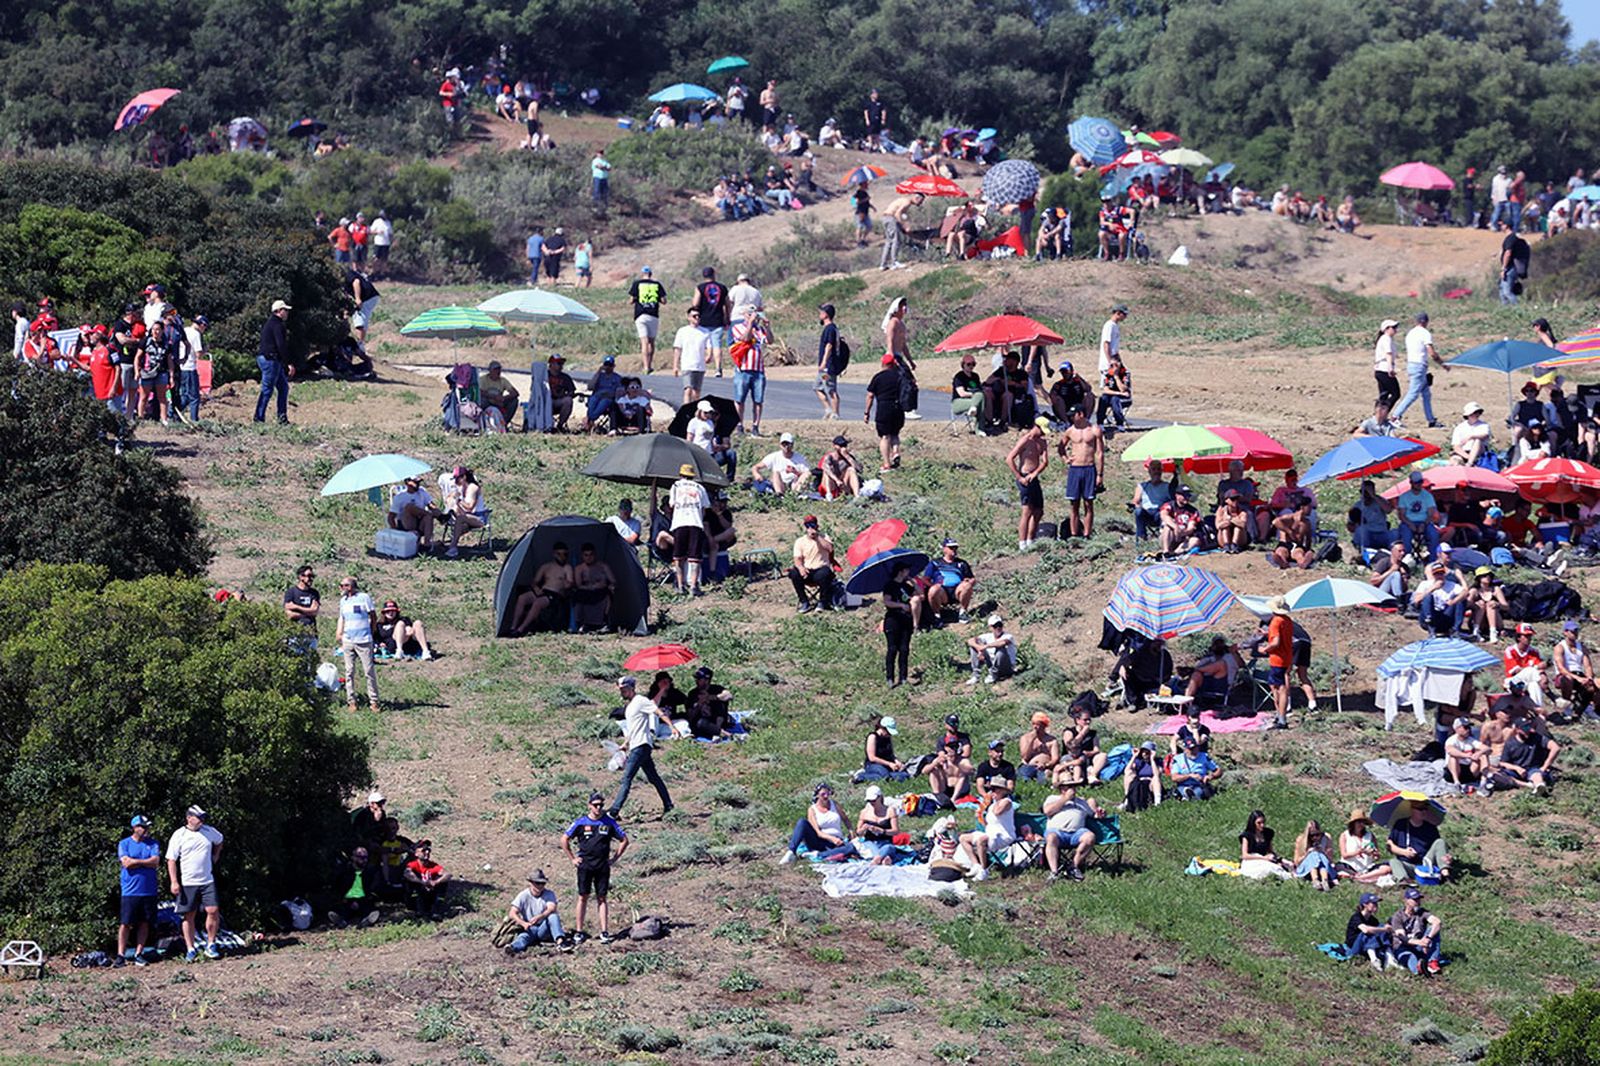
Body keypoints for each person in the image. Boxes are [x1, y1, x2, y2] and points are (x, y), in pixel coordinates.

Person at [563, 792, 629, 944]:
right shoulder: (580, 822)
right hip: (585, 865)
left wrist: (614, 858)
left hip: (602, 865)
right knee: (583, 897)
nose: (598, 808)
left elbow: (624, 840)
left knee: (602, 898)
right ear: (589, 806)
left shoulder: (609, 822)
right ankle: (579, 931)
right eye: (595, 805)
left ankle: (604, 932)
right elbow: (564, 839)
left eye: (601, 805)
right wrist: (572, 858)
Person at [166, 805, 224, 962]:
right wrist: (174, 881)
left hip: (207, 880)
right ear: (189, 818)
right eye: (199, 817)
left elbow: (220, 840)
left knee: (213, 910)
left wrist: (215, 855)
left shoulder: (209, 831)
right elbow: (171, 860)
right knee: (189, 915)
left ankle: (211, 944)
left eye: (203, 817)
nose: (202, 820)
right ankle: (190, 949)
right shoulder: (179, 835)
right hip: (188, 882)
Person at [117, 815, 161, 967]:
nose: (146, 829)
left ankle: (139, 953)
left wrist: (136, 861)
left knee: (144, 923)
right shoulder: (124, 844)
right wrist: (144, 862)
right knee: (125, 923)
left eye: (147, 826)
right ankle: (120, 955)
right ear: (135, 828)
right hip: (130, 891)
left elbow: (155, 861)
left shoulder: (153, 843)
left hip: (149, 890)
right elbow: (126, 863)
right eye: (143, 827)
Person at [1392, 311, 1448, 428]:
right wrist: (1442, 364)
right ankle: (1395, 416)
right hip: (1419, 366)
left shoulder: (1410, 333)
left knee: (1426, 394)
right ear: (1426, 322)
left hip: (1413, 364)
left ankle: (1431, 420)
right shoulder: (1425, 333)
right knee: (1413, 393)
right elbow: (1431, 353)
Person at [335, 576, 381, 713]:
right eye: (341, 585)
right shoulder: (343, 601)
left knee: (369, 671)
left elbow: (373, 615)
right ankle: (351, 700)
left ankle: (374, 701)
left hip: (364, 640)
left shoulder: (364, 598)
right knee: (349, 671)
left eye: (344, 585)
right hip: (348, 640)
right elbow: (342, 617)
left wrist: (371, 631)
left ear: (352, 586)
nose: (342, 588)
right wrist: (339, 632)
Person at [509, 541, 575, 635]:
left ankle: (521, 629)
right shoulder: (546, 567)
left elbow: (570, 583)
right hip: (543, 591)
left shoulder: (567, 568)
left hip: (555, 594)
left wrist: (563, 583)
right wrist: (536, 589)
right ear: (554, 554)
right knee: (522, 598)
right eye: (559, 554)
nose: (562, 557)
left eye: (565, 554)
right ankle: (513, 627)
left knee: (538, 603)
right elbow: (535, 582)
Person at [1059, 406, 1105, 538]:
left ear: (1081, 414)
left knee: (1088, 503)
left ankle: (1087, 534)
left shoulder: (1094, 430)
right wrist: (1066, 459)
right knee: (1074, 503)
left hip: (1089, 468)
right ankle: (1074, 534)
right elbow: (1061, 447)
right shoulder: (1070, 430)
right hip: (1075, 469)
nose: (1071, 418)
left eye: (1073, 415)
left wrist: (1100, 474)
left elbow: (1100, 453)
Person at [1042, 781, 1102, 882]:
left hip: (1077, 832)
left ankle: (1073, 866)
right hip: (1057, 832)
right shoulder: (1052, 798)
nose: (1072, 788)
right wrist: (1065, 798)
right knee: (1051, 838)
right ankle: (1054, 872)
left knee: (1090, 837)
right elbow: (1047, 811)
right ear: (1061, 788)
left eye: (1073, 786)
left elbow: (1092, 815)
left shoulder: (1081, 802)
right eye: (1068, 786)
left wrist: (1099, 815)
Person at [960, 777, 1016, 881]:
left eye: (995, 789)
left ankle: (984, 870)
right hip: (991, 834)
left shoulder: (1006, 802)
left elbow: (997, 812)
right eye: (991, 789)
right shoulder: (992, 805)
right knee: (963, 838)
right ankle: (976, 865)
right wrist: (980, 816)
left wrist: (988, 801)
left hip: (1004, 836)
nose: (992, 792)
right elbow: (989, 824)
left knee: (982, 840)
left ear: (1003, 791)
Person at [1007, 417, 1050, 550]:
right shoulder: (1025, 440)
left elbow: (1045, 461)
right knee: (1027, 510)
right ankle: (1022, 543)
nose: (1042, 434)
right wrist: (1019, 477)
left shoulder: (1042, 442)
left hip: (1033, 478)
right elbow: (1009, 459)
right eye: (1041, 431)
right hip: (1024, 477)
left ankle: (1031, 539)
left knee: (1038, 511)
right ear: (1036, 427)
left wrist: (1035, 473)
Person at [506, 869, 572, 954]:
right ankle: (513, 947)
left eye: (543, 883)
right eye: (537, 883)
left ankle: (561, 942)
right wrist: (523, 923)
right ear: (531, 883)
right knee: (523, 937)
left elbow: (552, 908)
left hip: (543, 928)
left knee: (553, 916)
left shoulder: (549, 894)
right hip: (529, 928)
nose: (540, 886)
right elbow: (512, 913)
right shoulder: (523, 895)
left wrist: (540, 916)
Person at [863, 354, 906, 472]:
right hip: (898, 408)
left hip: (884, 408)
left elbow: (870, 396)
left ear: (882, 363)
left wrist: (867, 412)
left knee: (885, 436)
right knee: (895, 433)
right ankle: (895, 452)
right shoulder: (900, 376)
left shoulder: (878, 377)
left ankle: (887, 464)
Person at [918, 539, 976, 625]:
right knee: (934, 590)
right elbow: (925, 579)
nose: (954, 550)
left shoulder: (962, 563)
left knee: (966, 586)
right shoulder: (935, 563)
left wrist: (970, 582)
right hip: (942, 591)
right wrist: (933, 586)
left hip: (957, 590)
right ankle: (937, 616)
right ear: (944, 549)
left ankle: (963, 612)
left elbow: (972, 578)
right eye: (951, 548)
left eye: (955, 547)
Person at [1495, 719, 1560, 795]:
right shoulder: (1510, 744)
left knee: (1536, 774)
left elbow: (1555, 748)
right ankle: (1528, 785)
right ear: (1517, 730)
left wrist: (1544, 767)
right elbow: (1503, 762)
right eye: (1524, 729)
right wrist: (1516, 768)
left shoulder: (1537, 737)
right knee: (1498, 775)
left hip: (1533, 768)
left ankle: (1539, 785)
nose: (1528, 731)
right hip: (1517, 771)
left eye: (1528, 728)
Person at [788, 515, 838, 613]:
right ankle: (804, 601)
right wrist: (801, 568)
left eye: (812, 525)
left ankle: (822, 602)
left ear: (817, 526)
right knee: (794, 573)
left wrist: (817, 537)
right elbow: (797, 558)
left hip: (821, 569)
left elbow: (830, 549)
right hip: (807, 570)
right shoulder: (800, 541)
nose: (810, 528)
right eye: (808, 526)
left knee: (824, 574)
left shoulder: (824, 537)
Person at [1387, 805, 1450, 883]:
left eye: (1425, 809)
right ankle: (1404, 880)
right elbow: (1389, 845)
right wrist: (1404, 852)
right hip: (1408, 864)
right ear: (1412, 810)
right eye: (1420, 809)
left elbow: (1438, 847)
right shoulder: (1401, 824)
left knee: (1440, 842)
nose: (1423, 812)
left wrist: (1445, 857)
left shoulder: (1430, 827)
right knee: (1394, 862)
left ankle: (1445, 873)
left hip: (1426, 863)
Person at [1388, 888, 1443, 975]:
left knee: (1433, 929)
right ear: (1406, 901)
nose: (1418, 902)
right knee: (1411, 957)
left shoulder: (1422, 912)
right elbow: (1402, 937)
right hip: (1403, 947)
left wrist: (1428, 938)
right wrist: (1420, 942)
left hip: (1419, 946)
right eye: (1415, 899)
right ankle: (1419, 969)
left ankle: (1432, 962)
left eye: (1419, 899)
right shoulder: (1398, 916)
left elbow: (1437, 922)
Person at [1552, 620, 1600, 720]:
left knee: (1597, 682)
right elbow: (1561, 668)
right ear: (1565, 632)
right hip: (1565, 675)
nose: (1575, 633)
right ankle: (1567, 706)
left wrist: (1589, 678)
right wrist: (1577, 678)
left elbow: (1588, 666)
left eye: (1576, 631)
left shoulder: (1581, 647)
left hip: (1579, 674)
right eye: (1572, 631)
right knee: (1567, 679)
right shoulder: (1560, 647)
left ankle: (1591, 709)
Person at [254, 299, 292, 424]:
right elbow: (281, 345)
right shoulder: (277, 325)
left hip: (269, 359)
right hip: (270, 360)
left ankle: (282, 417)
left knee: (283, 388)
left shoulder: (270, 323)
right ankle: (258, 418)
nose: (287, 313)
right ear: (279, 311)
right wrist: (287, 363)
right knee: (267, 390)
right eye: (285, 310)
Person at [881, 558, 915, 688]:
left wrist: (913, 582)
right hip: (893, 620)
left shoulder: (906, 586)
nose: (908, 572)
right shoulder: (890, 585)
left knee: (904, 649)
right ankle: (890, 677)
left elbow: (919, 593)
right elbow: (887, 601)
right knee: (892, 649)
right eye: (906, 570)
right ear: (901, 571)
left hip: (906, 620)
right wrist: (900, 605)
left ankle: (903, 677)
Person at [690, 267, 729, 377]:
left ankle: (700, 366)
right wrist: (727, 318)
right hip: (718, 320)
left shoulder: (700, 288)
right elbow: (728, 304)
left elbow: (695, 303)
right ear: (714, 274)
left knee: (702, 344)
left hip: (703, 321)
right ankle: (718, 369)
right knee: (717, 344)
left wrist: (694, 316)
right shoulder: (722, 287)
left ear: (703, 275)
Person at [1335, 809, 1389, 884]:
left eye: (1363, 822)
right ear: (1353, 823)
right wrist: (1359, 852)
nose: (1361, 824)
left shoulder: (1370, 836)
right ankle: (1362, 876)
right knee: (1340, 868)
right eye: (1359, 822)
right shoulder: (1345, 835)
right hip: (1349, 865)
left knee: (1386, 868)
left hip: (1367, 867)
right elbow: (1344, 855)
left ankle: (1361, 877)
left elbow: (1377, 855)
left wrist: (1374, 854)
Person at [627, 267, 664, 372]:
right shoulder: (657, 284)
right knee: (651, 342)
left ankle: (645, 367)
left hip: (640, 315)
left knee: (644, 341)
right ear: (651, 274)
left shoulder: (637, 284)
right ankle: (650, 364)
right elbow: (664, 300)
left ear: (642, 273)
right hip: (653, 314)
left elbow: (631, 300)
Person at [445, 466, 487, 559]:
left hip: (478, 518)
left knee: (460, 519)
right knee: (455, 513)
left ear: (464, 477)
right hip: (467, 517)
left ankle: (453, 547)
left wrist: (458, 500)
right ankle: (452, 542)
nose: (455, 481)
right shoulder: (462, 488)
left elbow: (470, 507)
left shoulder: (473, 488)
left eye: (457, 478)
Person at [1057, 706, 1106, 785]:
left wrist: (1089, 753)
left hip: (1086, 757)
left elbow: (1096, 749)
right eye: (1085, 720)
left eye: (1089, 720)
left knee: (1103, 755)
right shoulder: (1069, 732)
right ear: (1077, 720)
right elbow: (1071, 745)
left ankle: (1092, 775)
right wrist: (1082, 733)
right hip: (1071, 757)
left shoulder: (1092, 733)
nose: (1088, 722)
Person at [387, 476, 438, 551]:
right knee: (409, 507)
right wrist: (395, 533)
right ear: (407, 482)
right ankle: (433, 516)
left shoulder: (422, 492)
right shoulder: (400, 497)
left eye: (418, 482)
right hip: (406, 525)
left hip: (420, 524)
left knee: (428, 516)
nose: (418, 484)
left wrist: (437, 511)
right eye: (415, 482)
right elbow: (391, 517)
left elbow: (431, 505)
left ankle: (426, 544)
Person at [671, 308, 711, 406]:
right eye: (694, 316)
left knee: (696, 393)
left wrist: (709, 355)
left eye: (698, 316)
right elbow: (677, 349)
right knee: (688, 389)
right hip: (687, 365)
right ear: (689, 317)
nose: (697, 318)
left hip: (699, 366)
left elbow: (709, 346)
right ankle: (686, 410)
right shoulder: (682, 331)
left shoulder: (705, 332)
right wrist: (675, 366)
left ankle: (694, 410)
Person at [402, 840, 451, 918]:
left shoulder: (433, 865)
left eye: (428, 850)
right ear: (416, 853)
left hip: (428, 895)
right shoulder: (412, 865)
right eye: (423, 850)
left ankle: (436, 911)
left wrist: (436, 882)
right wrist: (422, 882)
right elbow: (407, 874)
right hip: (415, 898)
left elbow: (448, 874)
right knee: (412, 881)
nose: (427, 852)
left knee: (443, 882)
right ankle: (418, 910)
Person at [855, 785, 901, 865]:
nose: (871, 803)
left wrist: (882, 831)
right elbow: (858, 832)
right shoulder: (864, 812)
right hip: (870, 842)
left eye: (873, 800)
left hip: (885, 842)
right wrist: (863, 829)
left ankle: (879, 859)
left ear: (880, 798)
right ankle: (882, 858)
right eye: (869, 801)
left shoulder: (890, 811)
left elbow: (896, 831)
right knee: (873, 849)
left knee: (889, 847)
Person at [814, 303, 845, 420]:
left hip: (828, 367)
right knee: (817, 387)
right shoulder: (829, 328)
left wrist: (824, 362)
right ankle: (828, 409)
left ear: (826, 314)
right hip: (824, 369)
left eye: (821, 312)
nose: (819, 314)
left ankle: (836, 414)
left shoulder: (830, 329)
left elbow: (829, 346)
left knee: (831, 389)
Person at [1346, 893, 1392, 972]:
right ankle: (1374, 960)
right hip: (1354, 947)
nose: (1376, 905)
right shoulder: (1356, 917)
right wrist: (1383, 929)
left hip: (1365, 947)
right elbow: (1365, 930)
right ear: (1365, 904)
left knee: (1380, 928)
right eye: (1373, 903)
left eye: (1376, 903)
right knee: (1368, 932)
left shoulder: (1373, 920)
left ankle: (1389, 957)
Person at [1504, 622, 1546, 706]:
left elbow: (1539, 670)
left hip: (1529, 681)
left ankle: (1537, 709)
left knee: (1534, 685)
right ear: (1518, 637)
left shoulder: (1534, 651)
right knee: (1531, 671)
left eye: (1530, 636)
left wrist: (1542, 674)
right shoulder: (1510, 650)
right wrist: (1536, 668)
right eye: (1526, 636)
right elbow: (1516, 670)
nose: (1529, 638)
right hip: (1513, 681)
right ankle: (1551, 695)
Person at [1462, 566, 1508, 643]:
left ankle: (1493, 632)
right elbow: (1466, 605)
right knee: (1481, 604)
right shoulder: (1474, 590)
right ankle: (1476, 631)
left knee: (1491, 604)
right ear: (1479, 578)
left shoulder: (1496, 589)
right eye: (1484, 575)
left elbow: (1506, 606)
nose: (1487, 577)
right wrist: (1474, 605)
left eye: (1489, 575)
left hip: (1495, 620)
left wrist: (1498, 604)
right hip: (1479, 620)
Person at [880, 190, 922, 271]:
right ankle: (894, 262)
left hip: (886, 218)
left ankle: (883, 264)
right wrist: (905, 226)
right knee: (896, 240)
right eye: (921, 201)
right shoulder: (907, 202)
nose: (921, 203)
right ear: (917, 198)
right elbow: (897, 214)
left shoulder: (904, 200)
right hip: (891, 218)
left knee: (889, 241)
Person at [1131, 459, 1172, 541]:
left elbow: (1173, 501)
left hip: (1160, 512)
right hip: (1147, 512)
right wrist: (1136, 506)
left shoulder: (1167, 486)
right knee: (1138, 512)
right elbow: (1135, 501)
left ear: (1161, 471)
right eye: (1154, 469)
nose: (1156, 472)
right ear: (1149, 471)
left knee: (1164, 513)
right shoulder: (1142, 486)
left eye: (1158, 469)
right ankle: (1141, 537)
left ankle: (1163, 538)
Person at [1444, 717, 1488, 792]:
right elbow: (1450, 750)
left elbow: (1487, 748)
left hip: (1468, 770)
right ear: (1457, 729)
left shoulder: (1472, 740)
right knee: (1453, 758)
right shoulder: (1451, 740)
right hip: (1454, 771)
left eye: (1469, 727)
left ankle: (1483, 783)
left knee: (1483, 755)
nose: (1468, 730)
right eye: (1465, 727)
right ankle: (1456, 783)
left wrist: (1479, 753)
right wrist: (1466, 755)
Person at [1160, 486, 1206, 557]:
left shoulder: (1193, 511)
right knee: (1167, 528)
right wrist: (1175, 527)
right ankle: (1166, 551)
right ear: (1177, 495)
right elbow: (1164, 515)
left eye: (1188, 495)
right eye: (1184, 495)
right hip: (1170, 536)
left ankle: (1175, 553)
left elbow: (1191, 527)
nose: (1186, 497)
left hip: (1184, 537)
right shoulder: (1169, 505)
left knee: (1195, 541)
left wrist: (1182, 533)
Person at [283, 564, 321, 649]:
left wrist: (296, 607)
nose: (311, 579)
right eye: (309, 576)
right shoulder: (291, 592)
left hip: (311, 634)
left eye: (312, 576)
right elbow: (289, 614)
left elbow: (315, 611)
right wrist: (308, 612)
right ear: (301, 577)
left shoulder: (314, 593)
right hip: (295, 634)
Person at [860, 716, 908, 781]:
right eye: (888, 732)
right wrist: (889, 764)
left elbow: (891, 754)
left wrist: (897, 762)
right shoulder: (872, 737)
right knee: (885, 775)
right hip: (874, 765)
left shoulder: (887, 738)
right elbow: (872, 758)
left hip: (887, 764)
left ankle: (886, 776)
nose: (889, 734)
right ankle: (861, 776)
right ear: (882, 728)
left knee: (905, 775)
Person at [1293, 820, 1335, 891]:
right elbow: (1297, 862)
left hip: (1324, 866)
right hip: (1306, 868)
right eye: (1312, 835)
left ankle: (1324, 880)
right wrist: (1307, 853)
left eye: (1318, 834)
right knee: (1313, 855)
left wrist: (1323, 852)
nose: (1315, 837)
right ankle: (1316, 880)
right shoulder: (1301, 840)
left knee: (1319, 856)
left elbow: (1331, 860)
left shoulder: (1326, 838)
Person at [1018, 712, 1060, 781]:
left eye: (1038, 724)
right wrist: (1032, 740)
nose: (1035, 727)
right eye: (1033, 724)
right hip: (1029, 766)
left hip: (1044, 767)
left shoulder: (1052, 740)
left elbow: (1055, 758)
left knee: (1043, 780)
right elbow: (1025, 756)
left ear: (1044, 726)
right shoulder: (1025, 738)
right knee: (1024, 777)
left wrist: (1046, 765)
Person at [820, 435, 863, 499]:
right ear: (834, 446)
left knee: (851, 469)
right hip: (830, 485)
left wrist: (847, 457)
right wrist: (836, 480)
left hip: (842, 485)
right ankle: (829, 495)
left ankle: (857, 496)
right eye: (841, 446)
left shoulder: (848, 457)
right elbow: (824, 467)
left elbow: (859, 469)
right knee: (827, 471)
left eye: (844, 445)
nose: (843, 448)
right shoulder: (829, 457)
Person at [479, 361, 519, 429]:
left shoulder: (503, 380)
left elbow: (515, 393)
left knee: (514, 401)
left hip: (499, 403)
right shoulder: (483, 379)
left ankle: (505, 422)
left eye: (499, 370)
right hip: (488, 402)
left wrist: (504, 398)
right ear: (490, 371)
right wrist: (494, 397)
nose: (497, 372)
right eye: (495, 370)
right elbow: (480, 392)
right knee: (482, 400)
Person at [1123, 741, 1162, 811]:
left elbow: (1157, 774)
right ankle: (1127, 799)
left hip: (1151, 784)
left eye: (1147, 752)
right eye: (1143, 752)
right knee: (1128, 774)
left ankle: (1157, 801)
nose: (1144, 754)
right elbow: (1127, 770)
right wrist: (1134, 756)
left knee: (1156, 778)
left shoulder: (1158, 761)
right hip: (1139, 783)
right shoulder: (1139, 761)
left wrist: (1152, 760)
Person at [1096, 353, 1132, 428]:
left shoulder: (1125, 373)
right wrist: (1119, 393)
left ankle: (1119, 423)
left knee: (1115, 400)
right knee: (1103, 398)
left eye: (1115, 365)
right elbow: (1106, 390)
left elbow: (1123, 389)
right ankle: (1100, 423)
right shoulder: (1108, 373)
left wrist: (1116, 376)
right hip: (1115, 395)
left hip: (1124, 398)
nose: (1113, 367)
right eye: (1111, 365)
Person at [1372, 319, 1401, 408]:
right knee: (1395, 394)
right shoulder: (1386, 338)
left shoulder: (1386, 339)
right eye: (1393, 327)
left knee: (1384, 395)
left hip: (1380, 370)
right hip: (1384, 369)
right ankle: (1383, 413)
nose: (1395, 329)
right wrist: (1390, 368)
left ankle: (1378, 413)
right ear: (1386, 329)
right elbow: (1388, 353)